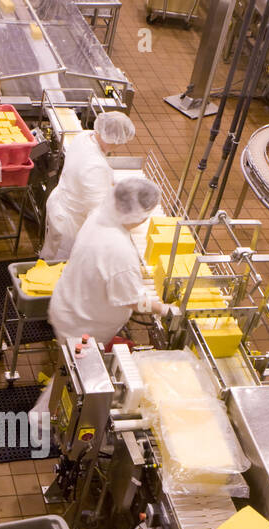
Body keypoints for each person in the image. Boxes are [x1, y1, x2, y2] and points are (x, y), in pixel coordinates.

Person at [32, 178, 172, 420]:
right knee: (71, 373)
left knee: (69, 367)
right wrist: (164, 309)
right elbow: (131, 300)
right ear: (140, 217)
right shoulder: (119, 251)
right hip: (84, 325)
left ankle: (51, 412)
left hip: (69, 303)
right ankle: (42, 418)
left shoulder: (101, 214)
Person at [40, 111, 136, 262]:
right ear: (114, 140)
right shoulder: (95, 167)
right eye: (121, 142)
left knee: (51, 250)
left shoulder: (84, 136)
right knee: (60, 264)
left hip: (60, 204)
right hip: (71, 223)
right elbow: (97, 211)